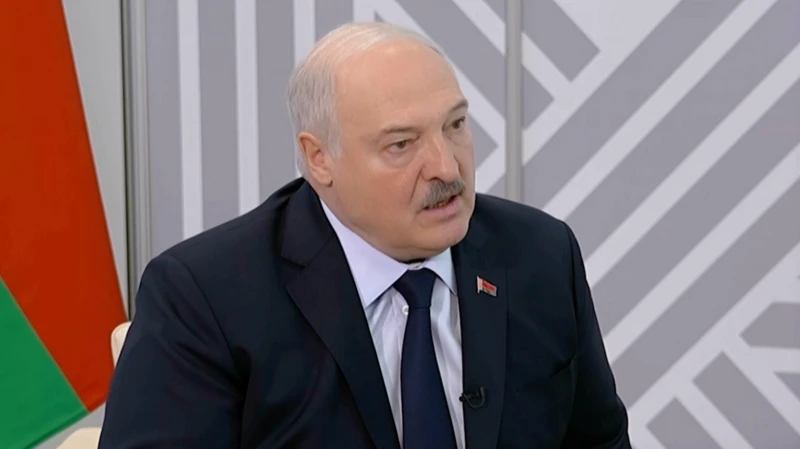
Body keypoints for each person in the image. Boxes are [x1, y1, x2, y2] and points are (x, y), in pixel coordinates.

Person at [99, 21, 630, 449]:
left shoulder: (540, 256)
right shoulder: (206, 297)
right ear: (319, 159)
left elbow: (599, 440)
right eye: (401, 145)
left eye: (455, 125)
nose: (447, 167)